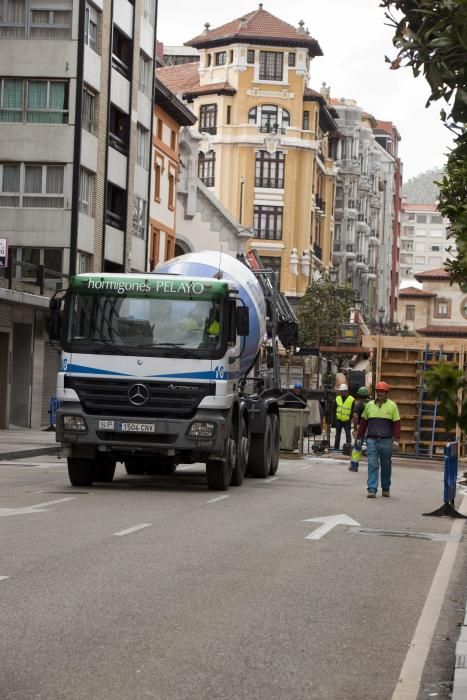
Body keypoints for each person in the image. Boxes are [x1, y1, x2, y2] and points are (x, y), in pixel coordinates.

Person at [356, 381, 400, 498]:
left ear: (386, 393)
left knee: (386, 465)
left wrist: (396, 439)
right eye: (378, 391)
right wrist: (359, 437)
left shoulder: (392, 406)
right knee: (372, 464)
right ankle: (372, 489)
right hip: (372, 440)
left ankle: (385, 488)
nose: (380, 393)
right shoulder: (369, 405)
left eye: (382, 392)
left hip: (386, 441)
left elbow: (396, 424)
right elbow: (363, 423)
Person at [349, 386, 370, 472]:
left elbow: (355, 417)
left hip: (362, 428)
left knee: (357, 447)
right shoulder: (371, 403)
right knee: (372, 446)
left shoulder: (358, 404)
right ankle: (373, 466)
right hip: (372, 428)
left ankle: (354, 466)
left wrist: (355, 429)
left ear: (358, 395)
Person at [334, 383, 354, 451]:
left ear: (346, 391)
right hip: (338, 420)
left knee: (348, 435)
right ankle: (336, 448)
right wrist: (335, 417)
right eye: (341, 391)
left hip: (347, 420)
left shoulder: (351, 399)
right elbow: (334, 409)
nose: (342, 392)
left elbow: (352, 410)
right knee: (337, 435)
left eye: (343, 391)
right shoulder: (337, 398)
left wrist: (350, 418)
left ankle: (348, 449)